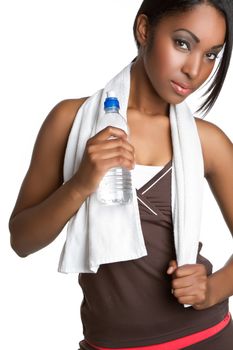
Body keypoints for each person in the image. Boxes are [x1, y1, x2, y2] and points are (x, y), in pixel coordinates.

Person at [9, 0, 233, 349]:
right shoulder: (69, 121)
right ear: (144, 30)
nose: (194, 69)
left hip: (205, 337)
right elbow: (22, 241)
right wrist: (81, 183)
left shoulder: (209, 142)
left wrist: (214, 288)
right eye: (183, 43)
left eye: (211, 55)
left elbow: (214, 285)